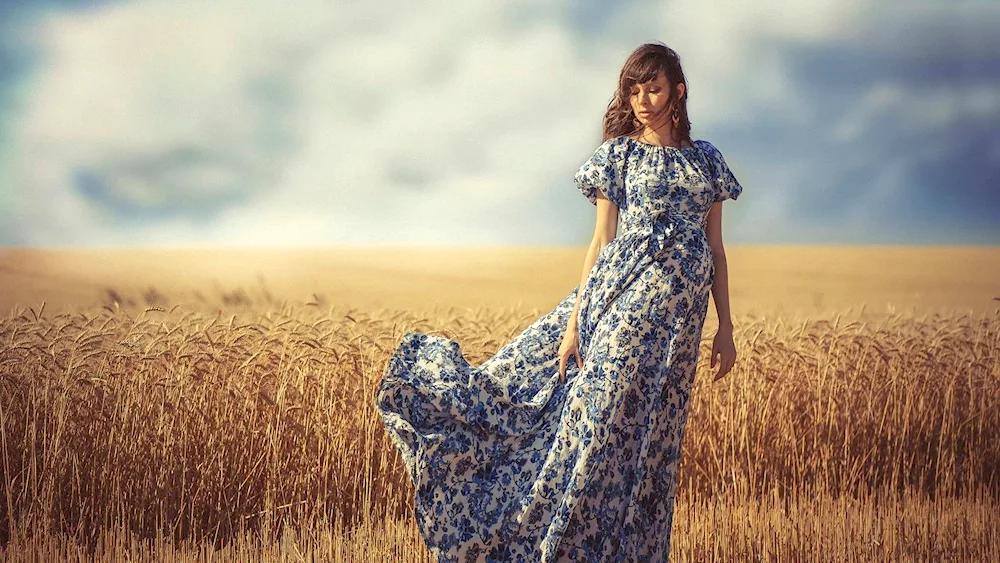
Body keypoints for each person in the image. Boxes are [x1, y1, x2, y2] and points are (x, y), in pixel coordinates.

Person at [376, 42, 741, 562]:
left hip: (680, 331)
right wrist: (574, 324)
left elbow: (716, 250)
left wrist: (726, 327)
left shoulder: (707, 160)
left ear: (678, 90)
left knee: (651, 443)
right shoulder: (620, 154)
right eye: (632, 90)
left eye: (653, 88)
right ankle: (547, 545)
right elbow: (600, 242)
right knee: (593, 428)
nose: (641, 99)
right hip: (620, 309)